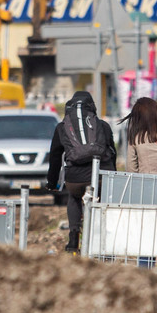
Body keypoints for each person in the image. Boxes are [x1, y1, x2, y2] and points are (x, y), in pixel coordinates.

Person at [46, 91, 116, 254]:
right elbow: (112, 152)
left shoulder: (62, 127)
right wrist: (113, 175)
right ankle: (104, 239)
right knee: (103, 201)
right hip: (101, 175)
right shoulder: (102, 125)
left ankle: (73, 238)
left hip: (75, 177)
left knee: (74, 197)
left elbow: (55, 157)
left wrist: (52, 182)